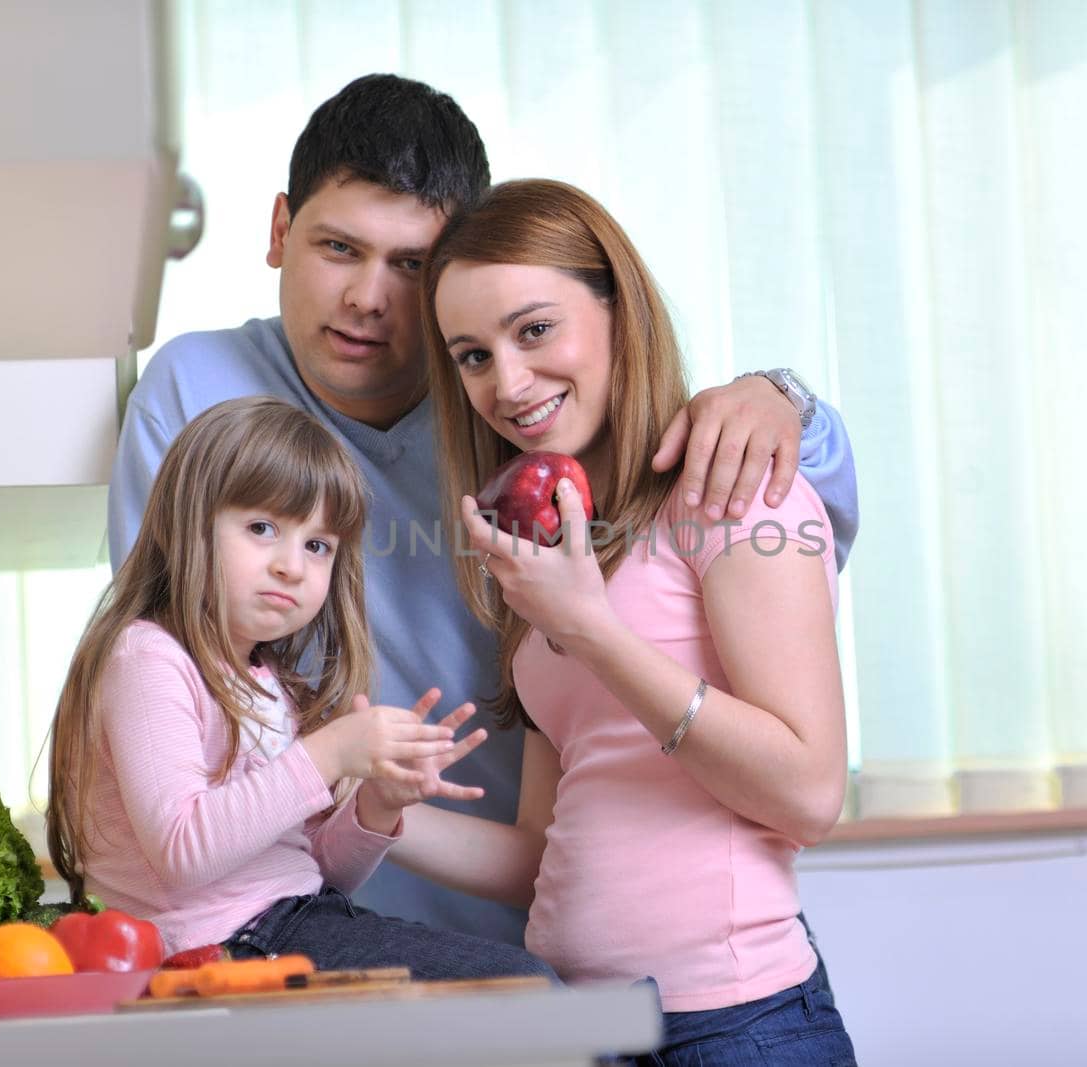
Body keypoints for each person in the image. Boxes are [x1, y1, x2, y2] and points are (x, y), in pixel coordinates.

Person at [108, 73, 860, 945]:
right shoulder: (194, 392)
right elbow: (169, 666)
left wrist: (786, 399)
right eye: (339, 248)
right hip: (297, 907)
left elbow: (748, 507)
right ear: (280, 230)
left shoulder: (517, 419)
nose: (369, 299)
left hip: (534, 907)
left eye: (413, 265)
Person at [388, 178, 855, 1062]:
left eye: (534, 329)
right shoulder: (555, 546)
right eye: (473, 355)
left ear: (617, 308)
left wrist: (595, 631)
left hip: (732, 1027)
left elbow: (809, 792)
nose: (508, 381)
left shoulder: (735, 493)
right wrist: (373, 813)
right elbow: (542, 848)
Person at [49, 396, 553, 980]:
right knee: (529, 994)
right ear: (185, 527)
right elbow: (184, 852)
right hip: (218, 947)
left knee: (534, 991)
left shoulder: (266, 682)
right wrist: (328, 753)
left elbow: (315, 874)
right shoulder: (149, 657)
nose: (293, 565)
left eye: (318, 546)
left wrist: (377, 806)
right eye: (262, 528)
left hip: (292, 921)